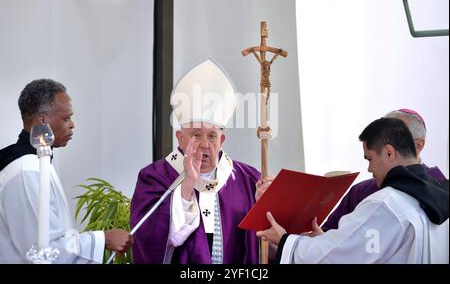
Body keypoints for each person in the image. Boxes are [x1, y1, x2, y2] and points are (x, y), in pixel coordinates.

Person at [130, 59, 271, 263]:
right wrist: (187, 187)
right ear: (180, 138)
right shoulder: (154, 177)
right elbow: (149, 240)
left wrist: (264, 206)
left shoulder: (248, 179)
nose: (204, 144)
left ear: (221, 140)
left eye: (212, 136)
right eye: (196, 135)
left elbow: (268, 244)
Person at [257, 117, 449, 263]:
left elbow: (338, 258)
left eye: (370, 159)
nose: (369, 169)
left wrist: (285, 241)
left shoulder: (387, 203)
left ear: (389, 152)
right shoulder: (440, 195)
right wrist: (327, 240)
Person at [0, 79, 133, 263]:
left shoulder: (36, 163)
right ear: (42, 120)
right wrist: (104, 238)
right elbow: (42, 251)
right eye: (66, 118)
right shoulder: (26, 171)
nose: (72, 124)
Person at [322, 109, 447, 231]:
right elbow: (329, 234)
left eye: (400, 136)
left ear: (418, 145)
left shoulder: (442, 190)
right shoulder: (360, 191)